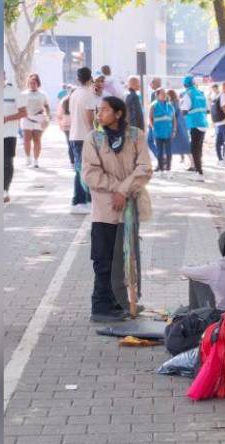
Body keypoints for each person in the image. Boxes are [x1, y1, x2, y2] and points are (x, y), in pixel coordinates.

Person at [82, 95, 153, 322]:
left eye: (104, 110)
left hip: (130, 207)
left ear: (118, 113)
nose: (99, 114)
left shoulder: (135, 135)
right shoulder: (94, 138)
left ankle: (123, 302)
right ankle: (101, 307)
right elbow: (91, 173)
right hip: (105, 208)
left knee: (126, 258)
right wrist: (118, 189)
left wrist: (125, 190)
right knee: (103, 259)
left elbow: (144, 168)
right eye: (98, 110)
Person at [66, 67, 99, 214]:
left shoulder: (74, 93)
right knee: (82, 170)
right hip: (84, 136)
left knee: (82, 169)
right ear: (90, 77)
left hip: (74, 135)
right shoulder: (88, 95)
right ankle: (78, 201)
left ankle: (85, 199)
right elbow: (89, 118)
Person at [3, 72, 27, 203]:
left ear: (4, 77)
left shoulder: (14, 92)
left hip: (9, 134)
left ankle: (4, 190)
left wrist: (7, 118)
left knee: (7, 162)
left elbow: (23, 112)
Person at [181, 76, 211, 179]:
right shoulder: (201, 94)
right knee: (199, 148)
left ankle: (199, 173)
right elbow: (207, 110)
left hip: (194, 123)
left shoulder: (188, 94)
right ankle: (199, 171)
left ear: (185, 85)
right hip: (203, 123)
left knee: (194, 149)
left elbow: (185, 109)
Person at [20, 74, 50, 169]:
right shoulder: (24, 94)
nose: (32, 85)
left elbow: (46, 106)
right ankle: (28, 157)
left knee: (37, 140)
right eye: (31, 83)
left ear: (38, 83)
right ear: (28, 84)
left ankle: (36, 161)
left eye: (34, 83)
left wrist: (48, 116)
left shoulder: (42, 94)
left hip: (38, 119)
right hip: (26, 119)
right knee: (26, 140)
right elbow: (20, 107)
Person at [148, 89, 176, 173]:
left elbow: (174, 119)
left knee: (169, 152)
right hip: (158, 132)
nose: (164, 95)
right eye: (162, 94)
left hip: (168, 132)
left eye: (165, 94)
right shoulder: (154, 105)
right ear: (157, 95)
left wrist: (174, 130)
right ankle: (160, 169)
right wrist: (153, 129)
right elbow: (150, 118)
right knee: (159, 151)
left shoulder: (170, 106)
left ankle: (168, 169)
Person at [167, 88, 192, 171]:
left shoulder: (172, 104)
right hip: (180, 126)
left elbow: (172, 116)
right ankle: (193, 163)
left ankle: (166, 164)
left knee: (181, 146)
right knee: (185, 145)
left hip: (176, 127)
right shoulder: (177, 102)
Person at [211, 82, 225, 163]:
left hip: (218, 123)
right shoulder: (222, 95)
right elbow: (223, 107)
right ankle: (224, 159)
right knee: (224, 142)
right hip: (223, 122)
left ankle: (221, 159)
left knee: (219, 142)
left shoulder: (214, 97)